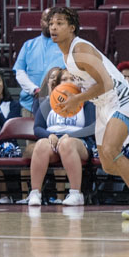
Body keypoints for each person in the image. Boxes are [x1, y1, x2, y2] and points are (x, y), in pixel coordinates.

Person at [47, 7, 129, 219]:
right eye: (51, 23)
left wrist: (77, 99)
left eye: (59, 23)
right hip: (103, 104)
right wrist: (74, 98)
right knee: (108, 164)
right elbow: (92, 83)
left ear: (72, 28)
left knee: (110, 149)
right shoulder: (66, 54)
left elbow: (106, 83)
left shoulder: (80, 50)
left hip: (120, 97)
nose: (53, 27)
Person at [27, 67, 95, 207]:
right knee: (40, 144)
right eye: (64, 79)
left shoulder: (87, 103)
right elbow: (37, 128)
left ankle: (76, 193)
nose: (68, 82)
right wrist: (49, 135)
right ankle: (35, 193)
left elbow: (91, 129)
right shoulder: (48, 103)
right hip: (53, 141)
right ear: (57, 84)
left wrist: (69, 135)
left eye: (73, 79)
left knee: (67, 144)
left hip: (78, 142)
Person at [12, 11, 65, 116]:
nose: (51, 24)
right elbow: (20, 72)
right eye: (47, 20)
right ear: (41, 22)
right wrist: (35, 90)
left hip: (58, 105)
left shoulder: (66, 46)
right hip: (29, 105)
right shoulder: (28, 45)